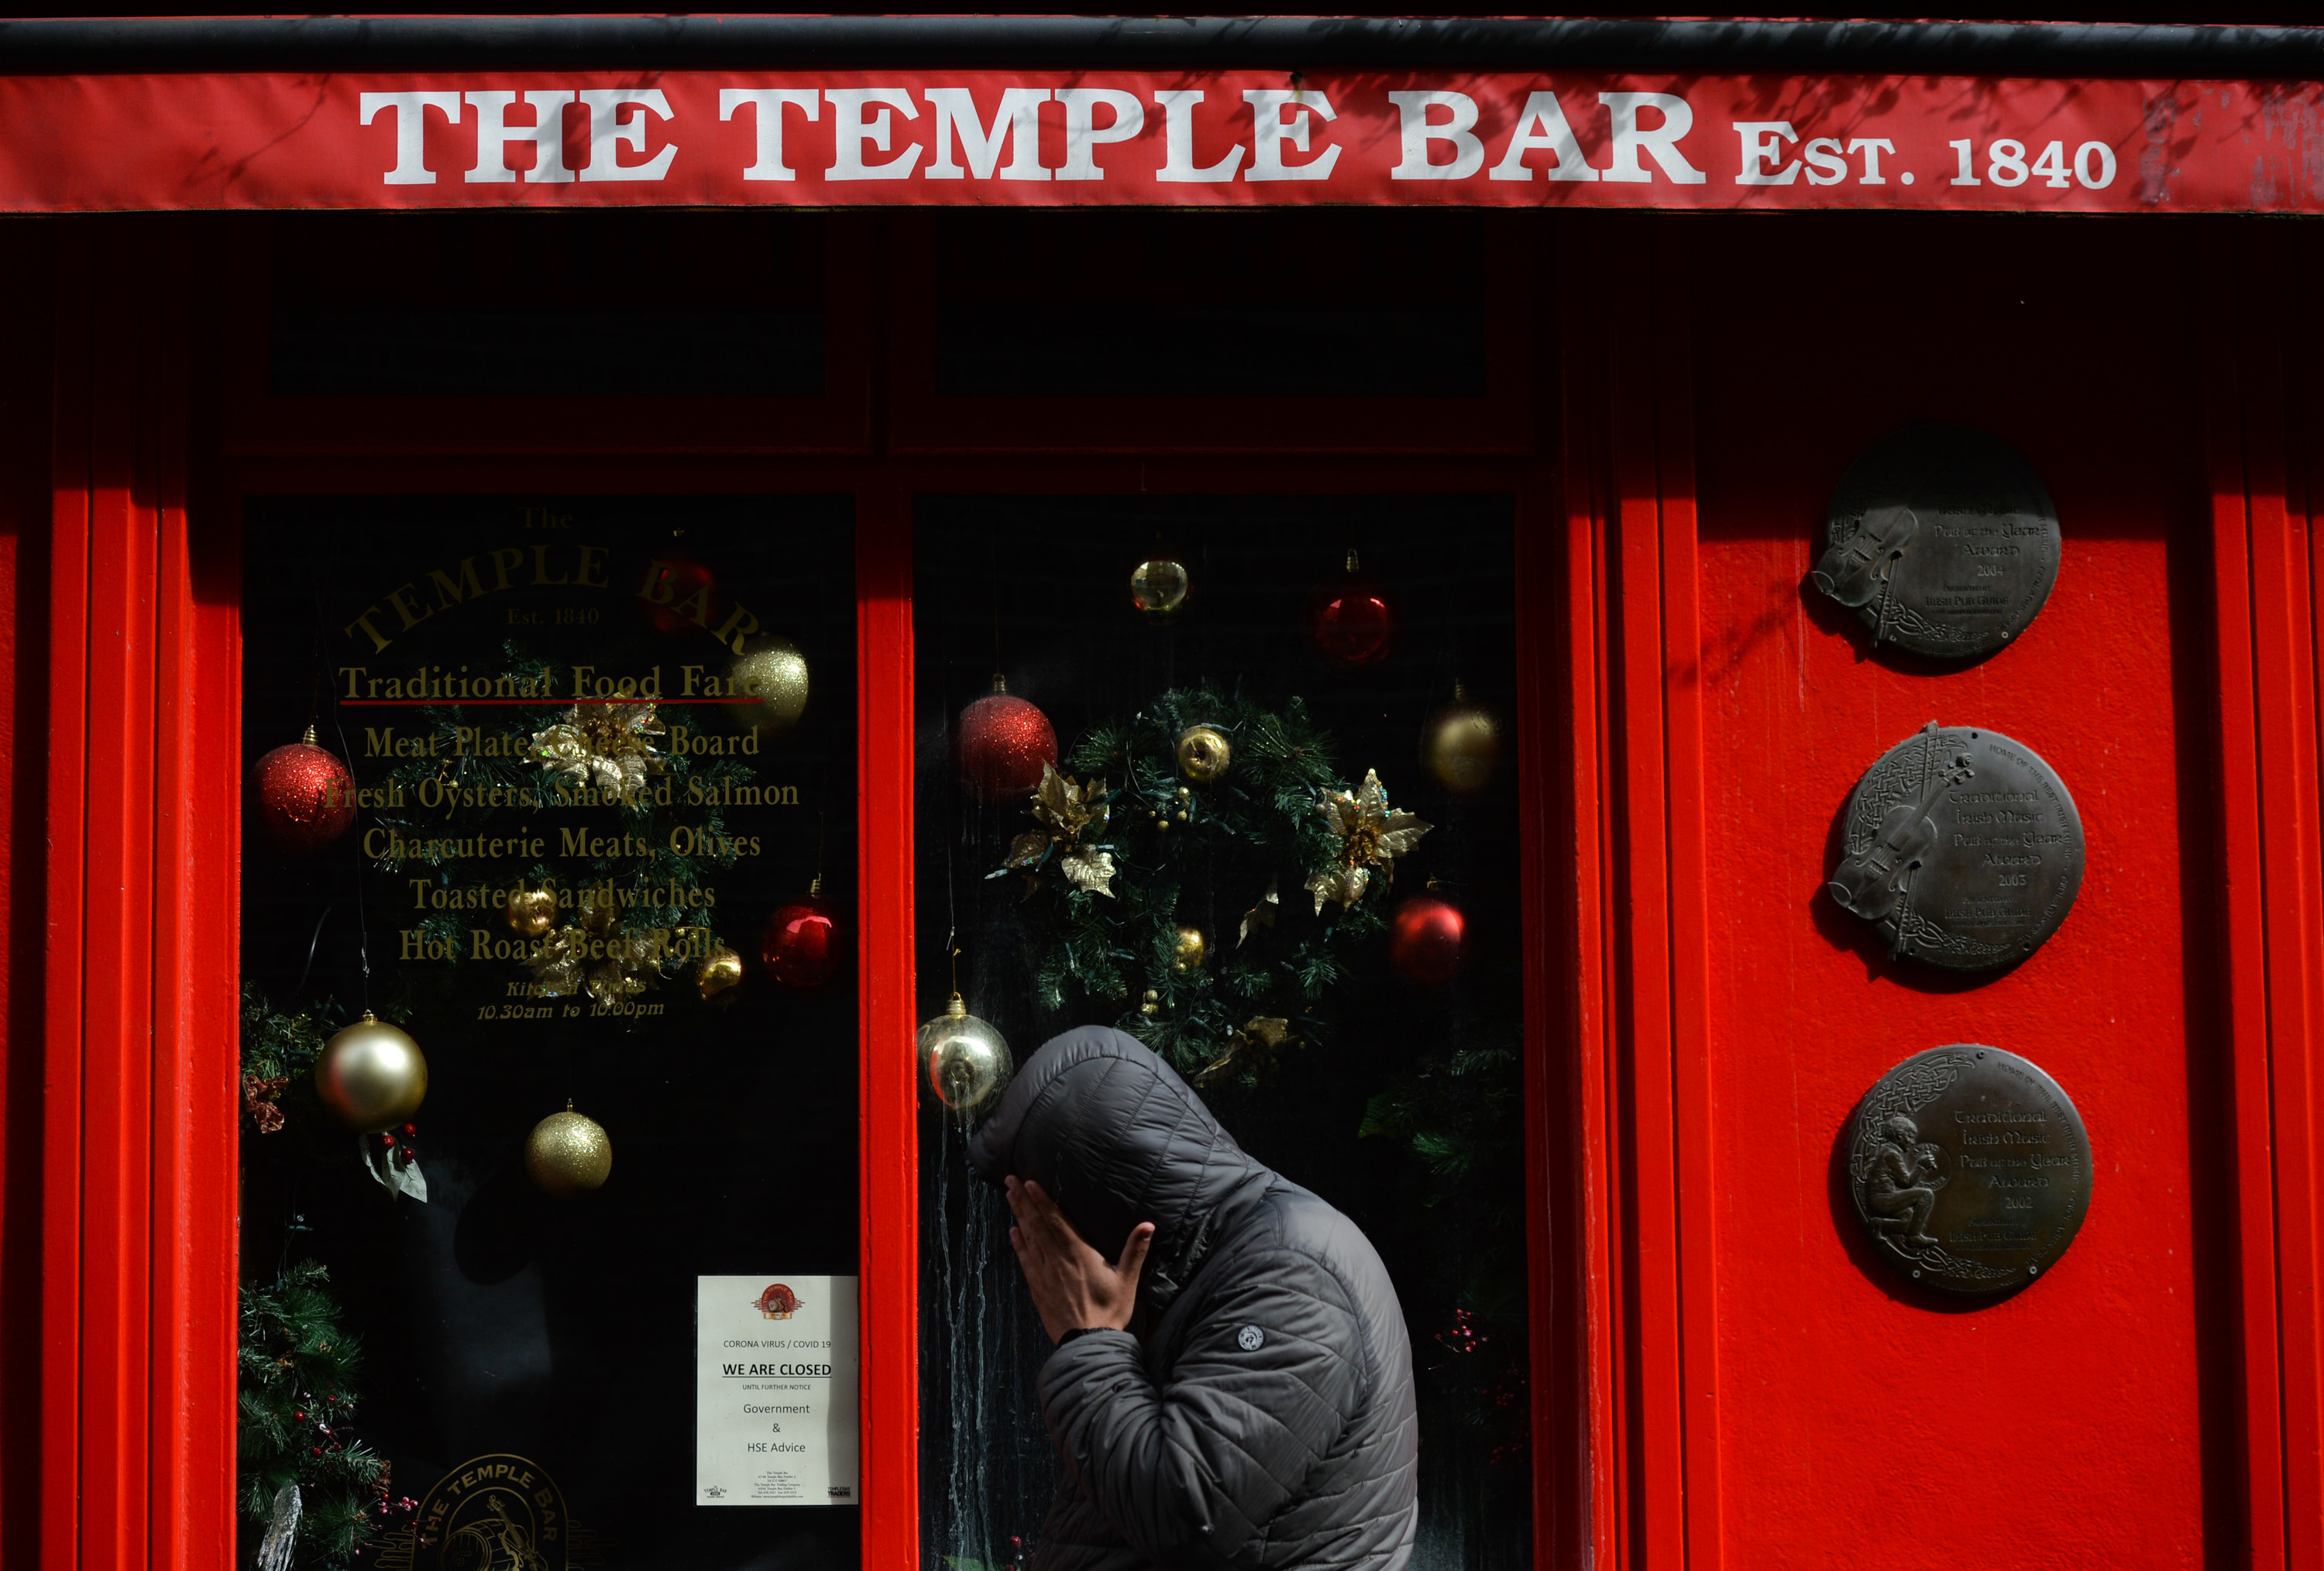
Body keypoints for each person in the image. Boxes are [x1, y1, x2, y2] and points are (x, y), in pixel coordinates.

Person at [968, 1026, 1419, 1571]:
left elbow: (1186, 1509)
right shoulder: (1214, 1262)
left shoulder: (1294, 1277)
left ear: (1097, 1203)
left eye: (1052, 1226)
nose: (1054, 1257)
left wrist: (1088, 1342)